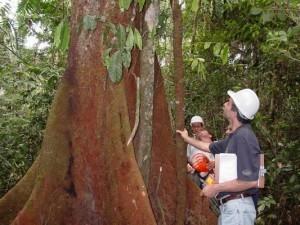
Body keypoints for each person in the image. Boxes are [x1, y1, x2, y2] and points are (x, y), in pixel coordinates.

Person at [177, 88, 261, 225]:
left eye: (228, 103)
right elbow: (208, 147)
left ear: (235, 111)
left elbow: (250, 181)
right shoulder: (234, 137)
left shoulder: (244, 137)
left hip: (238, 209)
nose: (225, 105)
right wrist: (186, 138)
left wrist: (215, 188)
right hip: (231, 208)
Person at [186, 116, 214, 188]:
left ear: (202, 126)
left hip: (210, 173)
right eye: (194, 127)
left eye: (198, 126)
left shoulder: (210, 141)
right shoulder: (190, 143)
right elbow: (189, 159)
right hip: (196, 173)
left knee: (210, 190)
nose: (196, 129)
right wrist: (189, 166)